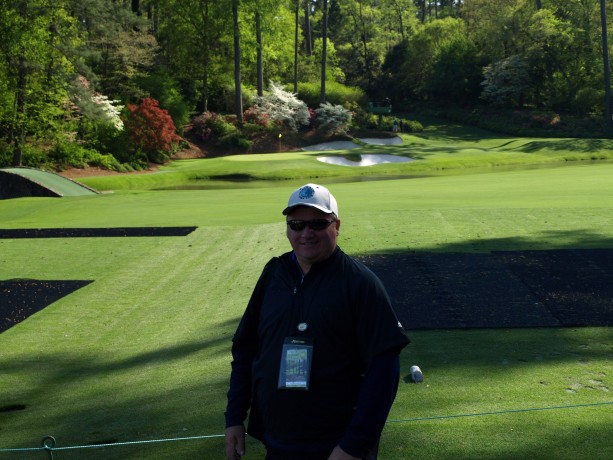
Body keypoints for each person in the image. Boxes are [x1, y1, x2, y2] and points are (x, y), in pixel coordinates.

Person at [224, 183, 410, 460]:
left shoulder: (361, 284)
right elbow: (245, 348)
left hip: (337, 446)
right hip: (279, 441)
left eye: (318, 224)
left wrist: (353, 447)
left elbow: (384, 371)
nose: (306, 233)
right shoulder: (274, 274)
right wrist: (234, 417)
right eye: (297, 224)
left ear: (337, 226)